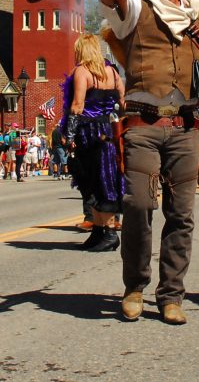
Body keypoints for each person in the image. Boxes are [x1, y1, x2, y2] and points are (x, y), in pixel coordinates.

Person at [90, 0, 199, 325]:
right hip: (142, 124)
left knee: (181, 215)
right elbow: (115, 2)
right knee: (138, 205)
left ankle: (171, 295)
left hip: (187, 127)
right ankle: (135, 287)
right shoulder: (136, 7)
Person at [61, 33, 125, 251]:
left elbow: (77, 105)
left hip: (89, 132)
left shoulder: (82, 71)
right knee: (102, 180)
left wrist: (69, 135)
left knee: (95, 181)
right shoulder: (113, 73)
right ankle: (99, 231)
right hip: (109, 130)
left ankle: (109, 233)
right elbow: (123, 101)